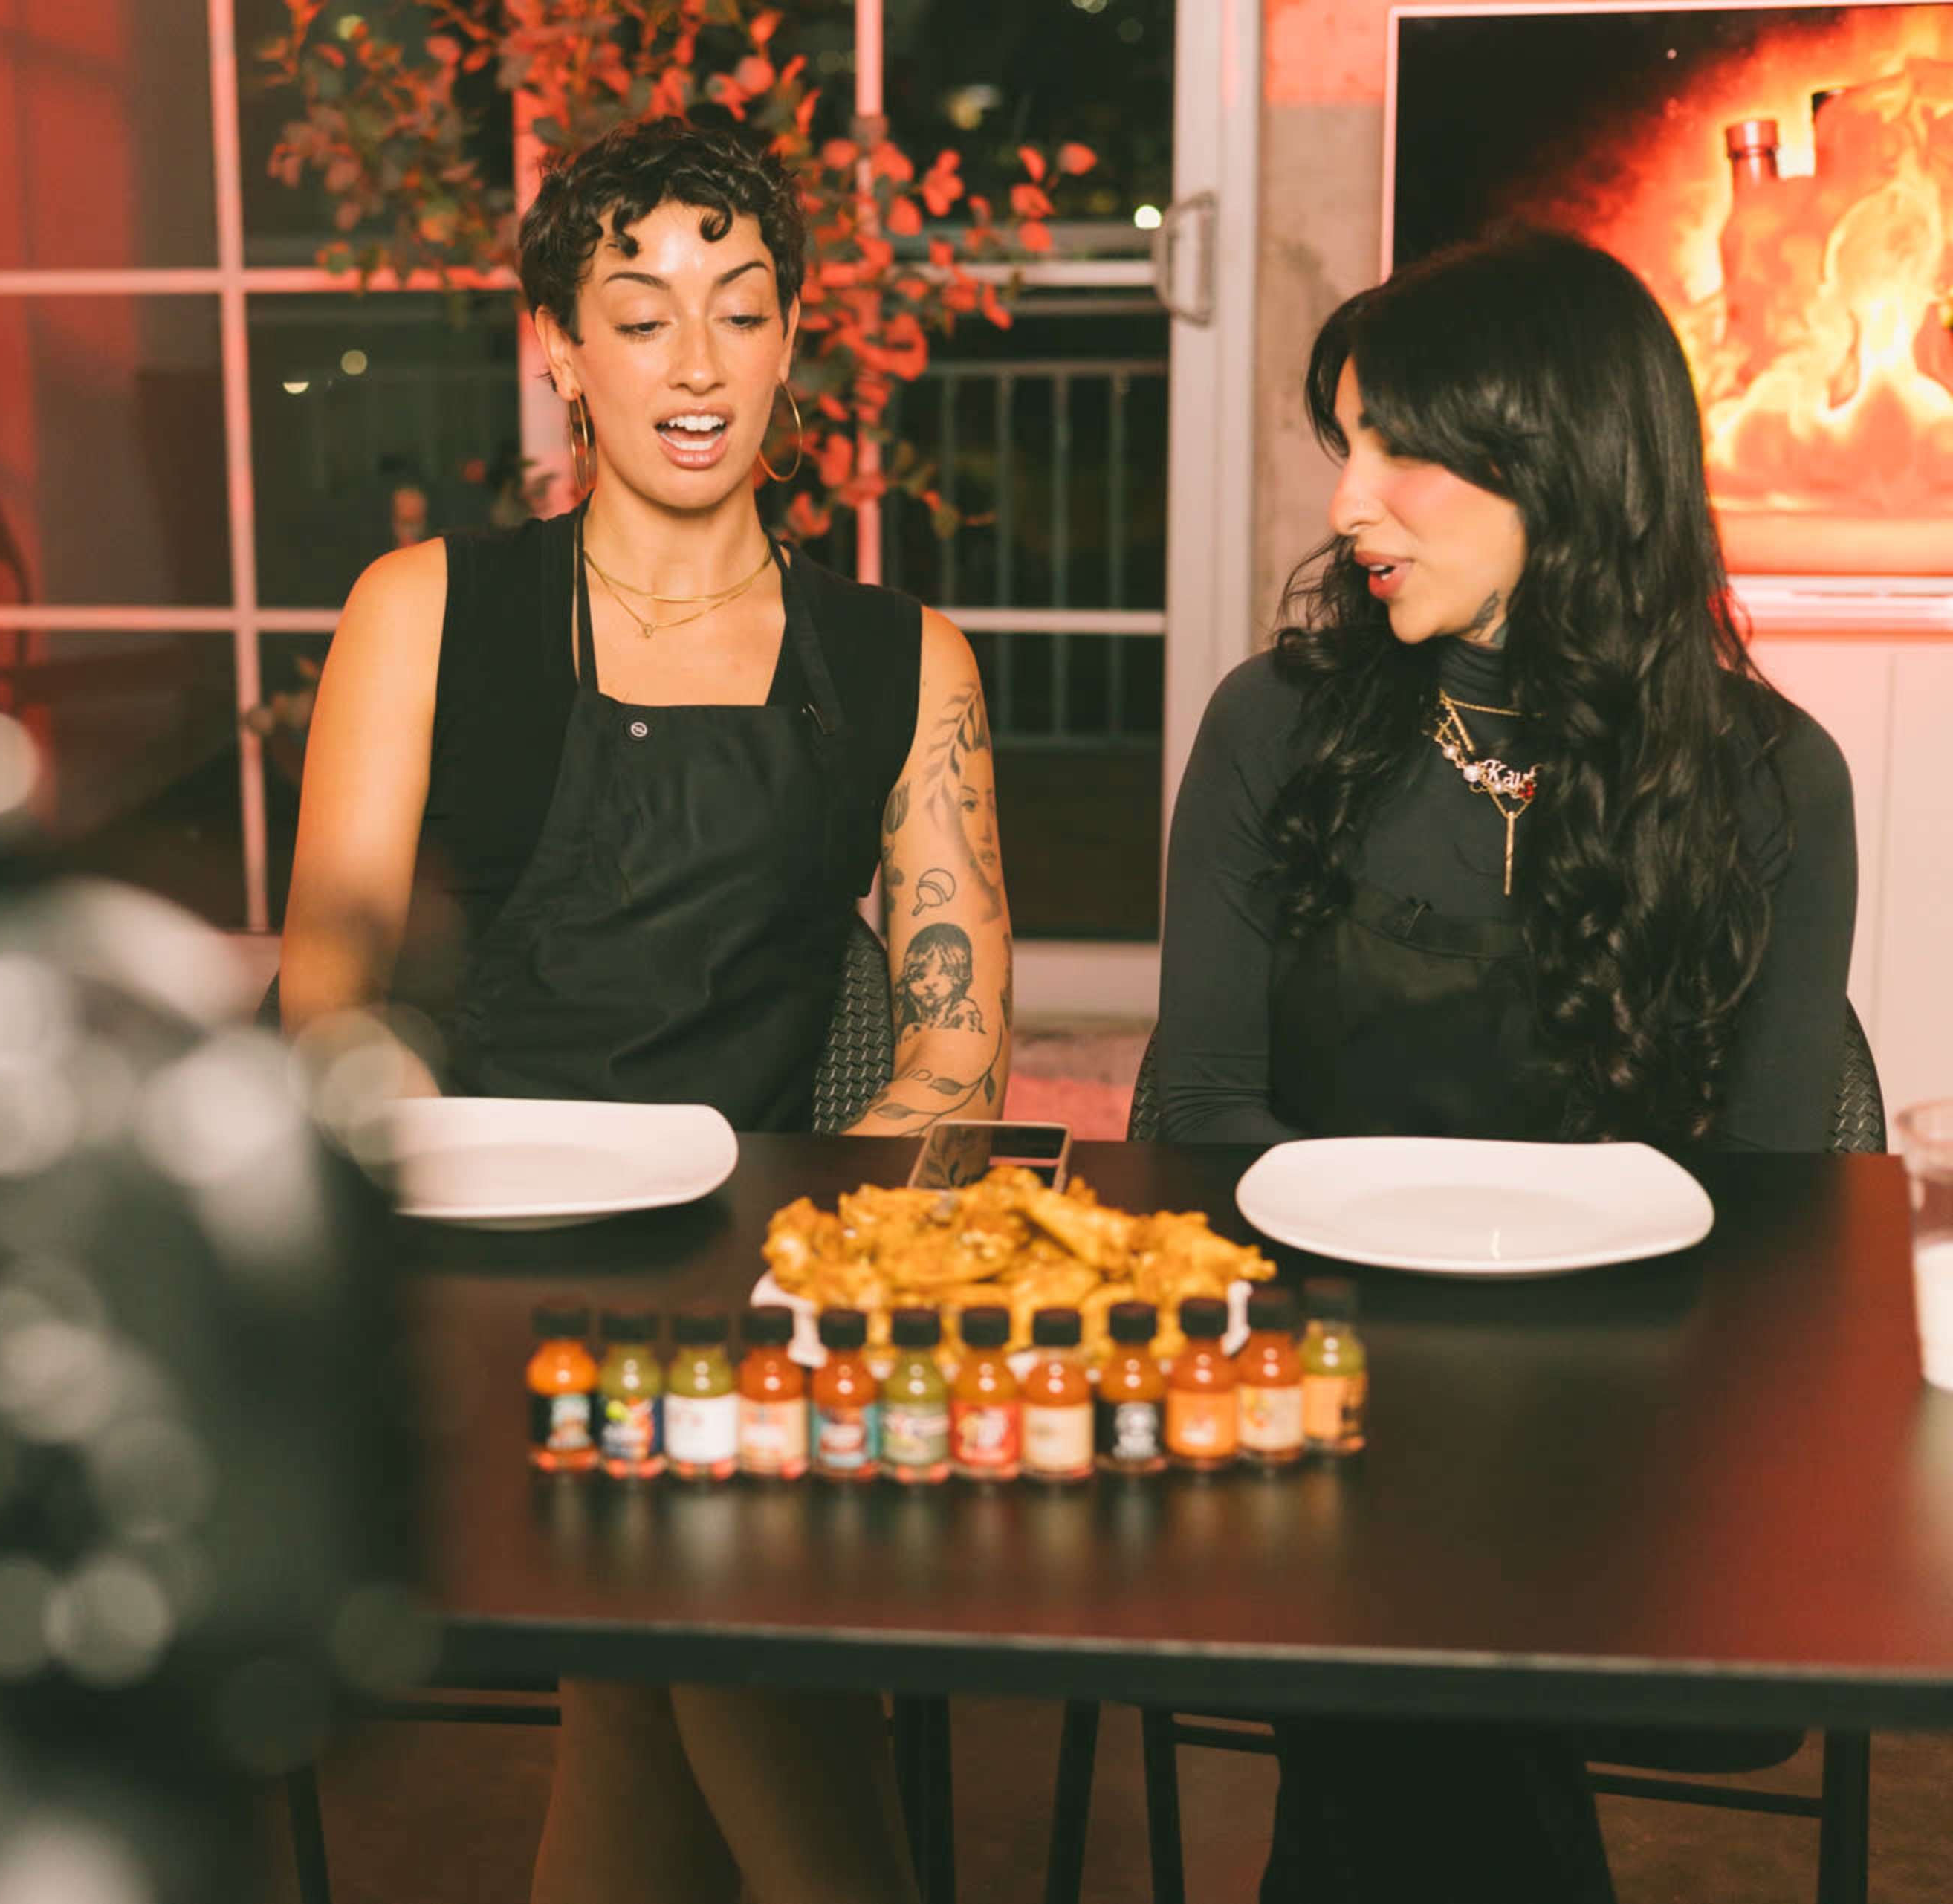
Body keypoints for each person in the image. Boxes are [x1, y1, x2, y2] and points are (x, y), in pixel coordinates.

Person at [280, 116, 1010, 1904]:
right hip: (473, 1285)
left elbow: (957, 1052)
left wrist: (818, 1303)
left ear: (791, 342)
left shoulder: (905, 662)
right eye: (640, 313)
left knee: (668, 1620)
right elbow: (326, 992)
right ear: (558, 347)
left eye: (740, 312)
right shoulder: (425, 613)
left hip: (768, 1288)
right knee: (700, 1603)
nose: (696, 365)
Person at [1150, 230, 1856, 1900]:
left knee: (1413, 1653)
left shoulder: (1769, 782)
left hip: (1624, 1427)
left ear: (1561, 458)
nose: (1348, 505)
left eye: (1400, 449)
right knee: (1409, 1605)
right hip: (1308, 1387)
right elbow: (1192, 1113)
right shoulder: (1276, 726)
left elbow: (1772, 1206)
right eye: (1346, 448)